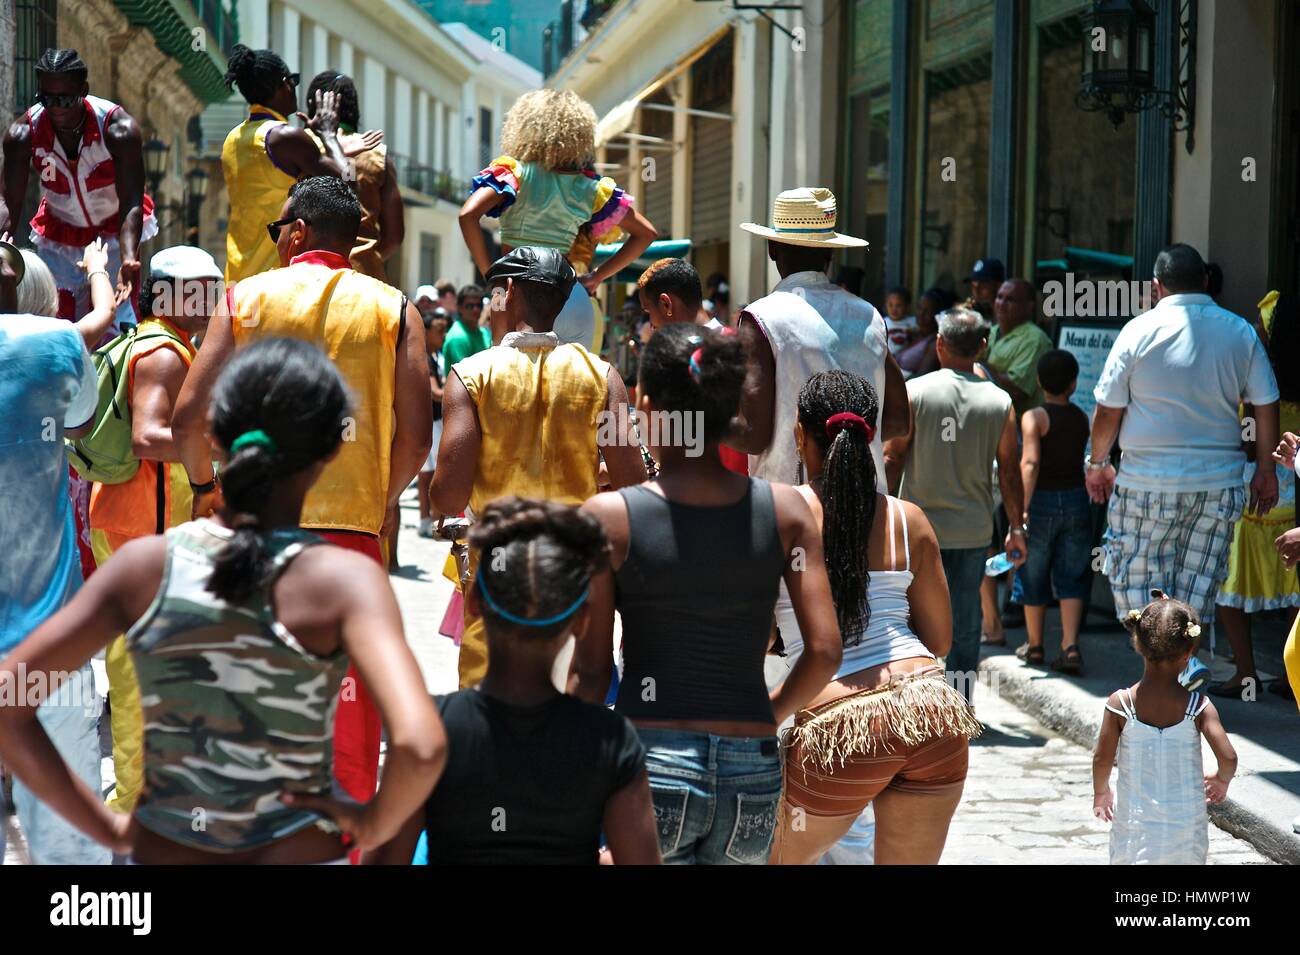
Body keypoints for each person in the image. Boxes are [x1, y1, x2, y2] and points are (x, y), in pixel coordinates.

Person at [0, 338, 446, 863]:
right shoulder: (346, 581)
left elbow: (11, 701)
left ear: (212, 434)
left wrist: (110, 829)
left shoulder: (145, 568)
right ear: (332, 449)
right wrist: (370, 824)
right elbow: (420, 748)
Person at [172, 175, 431, 814]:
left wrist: (208, 486)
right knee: (346, 722)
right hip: (353, 543)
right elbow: (418, 438)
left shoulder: (246, 298)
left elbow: (186, 420)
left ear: (295, 234)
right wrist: (379, 498)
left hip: (252, 536)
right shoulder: (395, 309)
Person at [576, 324, 842, 864]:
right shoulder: (788, 511)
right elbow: (824, 650)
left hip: (650, 763)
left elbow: (592, 674)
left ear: (646, 405)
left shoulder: (609, 520)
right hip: (753, 767)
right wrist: (770, 713)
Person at [369, 498, 661, 865]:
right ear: (582, 620)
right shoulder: (612, 740)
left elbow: (384, 858)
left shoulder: (431, 730)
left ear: (473, 601)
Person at [768, 370, 980, 865]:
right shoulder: (911, 520)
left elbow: (754, 635)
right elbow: (941, 639)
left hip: (838, 726)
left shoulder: (778, 514)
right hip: (929, 711)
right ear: (871, 437)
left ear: (800, 435)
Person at [432, 247, 645, 689]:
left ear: (509, 292)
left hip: (499, 567)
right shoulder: (602, 376)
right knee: (568, 702)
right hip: (573, 567)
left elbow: (447, 496)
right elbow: (633, 483)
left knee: (490, 704)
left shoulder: (471, 374)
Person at [1088, 243, 1280, 691]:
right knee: (1195, 588)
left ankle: (1172, 672)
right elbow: (1265, 403)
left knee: (1137, 585)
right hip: (1218, 484)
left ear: (1156, 287)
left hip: (1146, 483)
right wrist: (1267, 472)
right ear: (1206, 281)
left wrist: (1097, 462)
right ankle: (1185, 662)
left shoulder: (1138, 331)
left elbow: (1107, 410)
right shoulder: (1239, 331)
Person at [82, 246, 223, 815]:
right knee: (136, 665)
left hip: (134, 525)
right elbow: (147, 437)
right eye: (204, 287)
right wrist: (227, 445)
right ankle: (134, 797)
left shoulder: (162, 342)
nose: (213, 298)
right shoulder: (164, 352)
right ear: (169, 293)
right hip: (142, 529)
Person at [0, 240, 107, 865]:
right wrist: (96, 275)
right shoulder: (57, 343)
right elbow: (83, 421)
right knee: (69, 841)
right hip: (51, 639)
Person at [884, 307, 1025, 700]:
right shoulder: (1000, 403)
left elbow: (893, 458)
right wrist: (1016, 527)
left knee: (909, 619)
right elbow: (1010, 472)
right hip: (972, 533)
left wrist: (879, 513)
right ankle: (958, 706)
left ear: (939, 344)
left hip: (916, 532)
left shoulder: (915, 392)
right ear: (982, 347)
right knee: (965, 625)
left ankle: (913, 702)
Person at [733, 187, 910, 490]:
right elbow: (898, 419)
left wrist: (704, 417)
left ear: (772, 249)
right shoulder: (868, 315)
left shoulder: (761, 318)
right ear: (830, 253)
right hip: (865, 504)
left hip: (790, 507)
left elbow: (753, 435)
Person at [1, 49, 153, 331]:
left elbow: (132, 198)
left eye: (65, 99)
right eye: (46, 99)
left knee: (118, 325)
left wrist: (129, 257)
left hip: (113, 238)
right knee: (53, 323)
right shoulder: (23, 135)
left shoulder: (118, 130)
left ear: (84, 90)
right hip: (59, 236)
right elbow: (9, 200)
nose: (56, 108)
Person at [459, 89, 656, 297]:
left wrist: (489, 274)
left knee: (505, 330)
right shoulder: (590, 188)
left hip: (515, 292)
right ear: (580, 136)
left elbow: (467, 215)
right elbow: (647, 234)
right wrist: (596, 276)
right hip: (566, 295)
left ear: (524, 128)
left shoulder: (515, 174)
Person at [1093, 593, 1237, 865]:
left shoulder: (1119, 704)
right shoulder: (1199, 706)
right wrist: (1221, 779)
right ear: (1188, 653)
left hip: (1134, 828)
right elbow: (1228, 758)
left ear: (1138, 643)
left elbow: (1102, 758)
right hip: (1185, 828)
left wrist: (1102, 792)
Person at [220, 44, 381, 283]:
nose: (295, 87)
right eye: (293, 80)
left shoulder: (233, 138)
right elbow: (349, 183)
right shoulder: (285, 137)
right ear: (283, 84)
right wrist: (328, 134)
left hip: (237, 276)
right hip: (275, 279)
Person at [1211, 291, 1300, 699]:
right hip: (1290, 489)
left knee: (1230, 583)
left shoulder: (1255, 377)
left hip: (1257, 484)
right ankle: (1289, 674)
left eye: (1263, 325)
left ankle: (1246, 674)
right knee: (1293, 584)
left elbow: (1247, 436)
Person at [1017, 349, 1092, 673]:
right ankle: (1070, 646)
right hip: (1076, 501)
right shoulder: (1080, 417)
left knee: (1032, 573)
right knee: (1072, 573)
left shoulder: (1034, 417)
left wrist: (1020, 508)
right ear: (1074, 384)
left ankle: (1034, 646)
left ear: (1038, 381)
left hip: (1042, 502)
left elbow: (1030, 463)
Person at [305, 71, 403, 282]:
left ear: (312, 105)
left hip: (309, 276)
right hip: (365, 276)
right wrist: (364, 258)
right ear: (354, 110)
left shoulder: (298, 145)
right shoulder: (378, 155)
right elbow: (394, 238)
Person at [983, 278, 1053, 419]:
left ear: (1029, 306)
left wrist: (977, 362)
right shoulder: (990, 331)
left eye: (1010, 300)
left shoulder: (1035, 339)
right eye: (999, 297)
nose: (1001, 304)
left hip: (1020, 429)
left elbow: (1016, 392)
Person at [416, 310, 448, 539]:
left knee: (427, 474)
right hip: (431, 421)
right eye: (439, 331)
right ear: (426, 333)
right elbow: (436, 393)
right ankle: (435, 523)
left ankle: (428, 521)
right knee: (434, 473)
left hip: (430, 421)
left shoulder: (434, 356)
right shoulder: (425, 357)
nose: (443, 335)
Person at [897, 286, 949, 379]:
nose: (921, 313)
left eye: (927, 311)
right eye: (920, 308)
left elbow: (921, 377)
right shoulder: (913, 335)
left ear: (936, 314)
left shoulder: (934, 344)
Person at [442, 284, 491, 367]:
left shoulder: (485, 333)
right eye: (470, 306)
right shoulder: (457, 337)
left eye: (479, 305)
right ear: (459, 307)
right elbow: (465, 374)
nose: (475, 309)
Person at [883, 286, 918, 358]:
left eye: (898, 305)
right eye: (890, 305)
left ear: (908, 307)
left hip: (907, 359)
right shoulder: (882, 322)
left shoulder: (914, 322)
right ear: (886, 305)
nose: (894, 309)